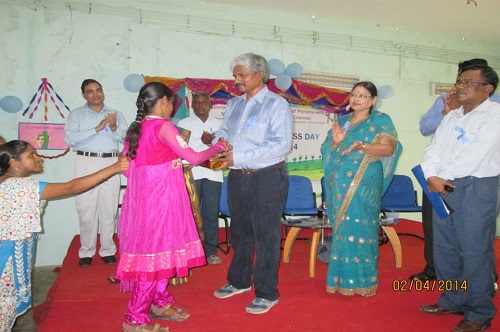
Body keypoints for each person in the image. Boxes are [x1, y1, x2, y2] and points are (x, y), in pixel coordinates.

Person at [115, 82, 228, 332]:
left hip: (146, 203)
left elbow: (129, 171)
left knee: (162, 254)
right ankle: (134, 318)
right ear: (164, 101)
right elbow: (195, 157)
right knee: (153, 260)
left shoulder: (135, 129)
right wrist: (221, 146)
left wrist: (167, 167)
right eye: (171, 104)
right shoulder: (163, 126)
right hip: (162, 202)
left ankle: (159, 302)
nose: (171, 109)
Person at [0, 140, 128, 331]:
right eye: (31, 155)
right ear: (14, 162)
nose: (38, 158)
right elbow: (71, 188)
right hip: (7, 257)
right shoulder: (18, 187)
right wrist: (114, 168)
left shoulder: (8, 181)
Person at [419, 64, 500, 332]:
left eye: (468, 82)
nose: (460, 87)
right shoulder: (452, 117)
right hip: (441, 185)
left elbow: (477, 155)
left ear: (487, 88)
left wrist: (440, 177)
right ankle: (453, 298)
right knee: (446, 249)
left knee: (475, 251)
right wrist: (431, 175)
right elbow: (434, 148)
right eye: (459, 82)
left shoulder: (495, 115)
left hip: (476, 188)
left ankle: (479, 311)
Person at [212, 53, 293, 315]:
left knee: (266, 235)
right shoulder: (234, 104)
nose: (236, 80)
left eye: (242, 75)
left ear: (260, 74)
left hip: (266, 177)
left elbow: (280, 145)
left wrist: (239, 156)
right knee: (240, 233)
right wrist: (219, 143)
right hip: (237, 176)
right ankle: (238, 281)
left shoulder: (276, 104)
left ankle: (267, 292)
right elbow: (224, 130)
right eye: (235, 75)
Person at [320, 81, 399, 297]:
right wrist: (335, 144)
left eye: (363, 96)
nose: (356, 99)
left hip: (364, 182)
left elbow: (389, 148)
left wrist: (362, 146)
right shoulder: (343, 121)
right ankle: (340, 280)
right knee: (342, 228)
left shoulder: (380, 120)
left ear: (373, 100)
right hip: (339, 183)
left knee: (361, 228)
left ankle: (363, 281)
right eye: (354, 94)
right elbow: (328, 150)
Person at [64, 79, 128, 267]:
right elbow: (71, 140)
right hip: (86, 161)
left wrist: (114, 127)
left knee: (109, 208)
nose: (95, 94)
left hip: (111, 161)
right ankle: (86, 251)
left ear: (103, 91)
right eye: (90, 91)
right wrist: (97, 128)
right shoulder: (76, 114)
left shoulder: (115, 114)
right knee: (86, 208)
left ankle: (108, 250)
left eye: (98, 90)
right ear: (84, 94)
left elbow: (126, 139)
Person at [178, 91, 224, 265]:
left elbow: (223, 148)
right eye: (196, 102)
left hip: (213, 174)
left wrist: (209, 144)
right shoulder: (184, 123)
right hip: (192, 174)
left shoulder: (219, 124)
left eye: (204, 102)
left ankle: (210, 251)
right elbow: (181, 150)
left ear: (210, 104)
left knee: (211, 213)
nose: (200, 105)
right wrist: (202, 142)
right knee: (190, 213)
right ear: (192, 105)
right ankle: (190, 251)